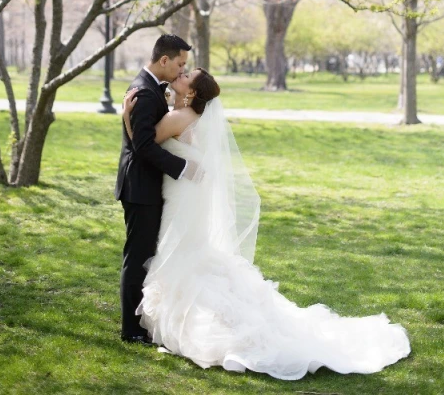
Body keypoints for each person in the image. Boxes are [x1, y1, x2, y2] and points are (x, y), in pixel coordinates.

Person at [121, 67, 411, 379]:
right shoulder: (187, 113)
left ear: (191, 92)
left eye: (186, 76)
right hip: (188, 191)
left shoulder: (181, 117)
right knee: (189, 250)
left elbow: (142, 140)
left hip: (184, 195)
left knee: (181, 252)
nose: (180, 75)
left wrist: (127, 115)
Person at [115, 33, 198, 344]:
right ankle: (131, 329)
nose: (181, 70)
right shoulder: (146, 93)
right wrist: (184, 168)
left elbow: (141, 141)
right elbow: (144, 148)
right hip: (140, 188)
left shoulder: (152, 90)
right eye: (180, 64)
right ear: (164, 60)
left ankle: (140, 321)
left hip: (147, 185)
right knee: (137, 258)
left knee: (146, 255)